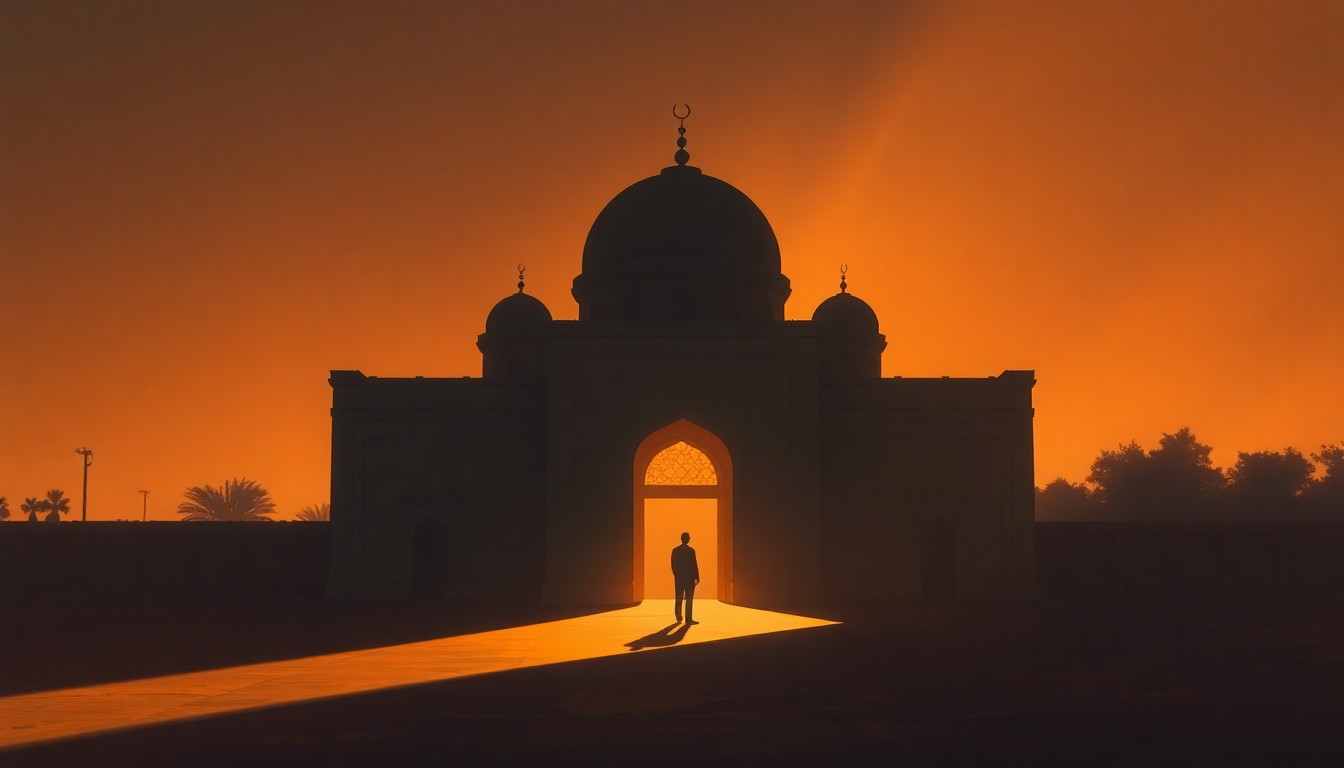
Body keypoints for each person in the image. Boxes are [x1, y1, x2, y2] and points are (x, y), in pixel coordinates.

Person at [670, 531, 700, 624]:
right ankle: (688, 618)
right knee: (689, 599)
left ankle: (678, 616)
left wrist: (676, 574)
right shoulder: (691, 551)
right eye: (688, 537)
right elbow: (694, 565)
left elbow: (673, 564)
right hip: (689, 578)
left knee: (679, 597)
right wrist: (697, 576)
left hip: (679, 578)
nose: (689, 538)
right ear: (687, 539)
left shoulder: (675, 550)